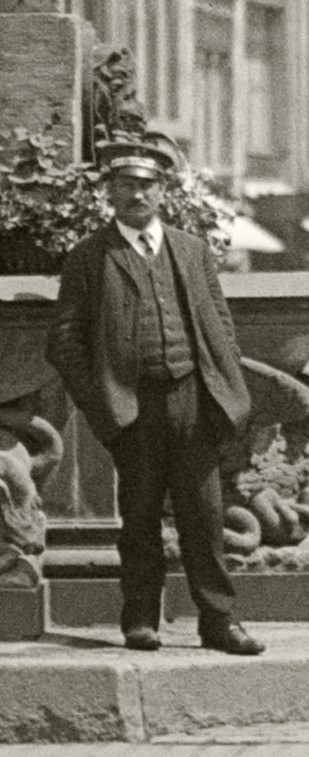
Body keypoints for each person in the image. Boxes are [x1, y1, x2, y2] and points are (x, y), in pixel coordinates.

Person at [45, 135, 264, 655]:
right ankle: (140, 621)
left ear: (162, 192)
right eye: (125, 185)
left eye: (145, 185)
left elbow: (221, 327)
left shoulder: (191, 251)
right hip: (132, 406)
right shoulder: (90, 257)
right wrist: (102, 406)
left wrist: (223, 386)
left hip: (194, 399)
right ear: (110, 194)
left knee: (205, 518)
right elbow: (64, 341)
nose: (136, 195)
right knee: (139, 518)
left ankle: (219, 621)